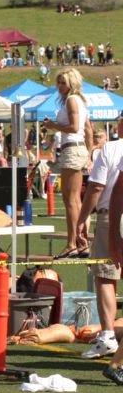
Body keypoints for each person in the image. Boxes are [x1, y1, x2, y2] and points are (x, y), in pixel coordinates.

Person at [76, 115, 122, 361]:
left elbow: (96, 187)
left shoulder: (111, 148)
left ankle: (107, 336)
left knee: (105, 277)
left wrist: (82, 218)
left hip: (112, 216)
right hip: (112, 214)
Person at [43, 68, 93, 260]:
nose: (59, 86)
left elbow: (73, 127)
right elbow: (88, 129)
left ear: (71, 82)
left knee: (70, 200)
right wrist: (88, 155)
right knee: (75, 200)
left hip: (72, 148)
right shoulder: (80, 101)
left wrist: (52, 125)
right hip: (77, 148)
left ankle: (73, 243)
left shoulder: (72, 100)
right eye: (58, 82)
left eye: (62, 82)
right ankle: (80, 242)